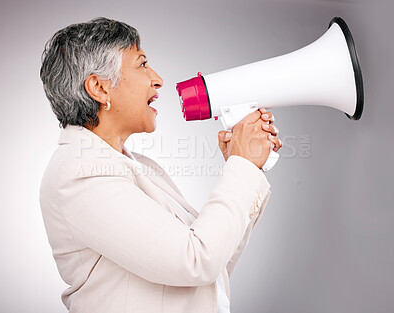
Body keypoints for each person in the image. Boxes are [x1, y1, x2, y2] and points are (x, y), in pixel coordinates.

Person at [39, 17, 282, 313]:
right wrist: (241, 166)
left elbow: (210, 273)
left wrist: (246, 166)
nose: (157, 79)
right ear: (99, 88)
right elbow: (196, 262)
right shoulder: (78, 175)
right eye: (141, 64)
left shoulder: (138, 166)